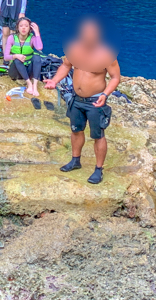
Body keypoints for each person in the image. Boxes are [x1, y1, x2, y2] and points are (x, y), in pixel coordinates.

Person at [44, 19, 121, 185]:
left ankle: (98, 169)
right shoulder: (75, 49)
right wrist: (54, 81)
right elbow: (66, 66)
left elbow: (115, 77)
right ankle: (75, 160)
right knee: (76, 130)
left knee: (98, 135)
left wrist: (106, 94)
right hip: (76, 99)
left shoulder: (106, 54)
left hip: (95, 101)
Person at [4, 17, 43, 96]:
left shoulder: (32, 38)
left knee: (37, 57)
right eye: (21, 26)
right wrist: (15, 56)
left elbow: (39, 48)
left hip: (28, 69)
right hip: (16, 71)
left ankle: (34, 86)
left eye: (26, 26)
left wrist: (37, 32)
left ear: (30, 28)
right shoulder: (12, 38)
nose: (24, 28)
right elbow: (6, 57)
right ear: (17, 28)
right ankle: (29, 84)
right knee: (17, 60)